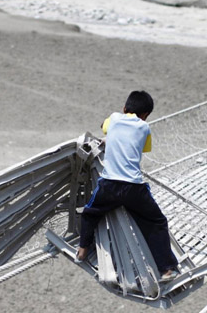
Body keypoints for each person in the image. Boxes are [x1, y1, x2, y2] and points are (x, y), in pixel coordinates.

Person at [76, 90, 179, 282]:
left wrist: (110, 138)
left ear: (124, 108)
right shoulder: (144, 127)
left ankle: (82, 249)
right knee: (156, 222)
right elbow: (143, 148)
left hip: (109, 185)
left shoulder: (114, 119)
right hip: (133, 188)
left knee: (90, 213)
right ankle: (167, 269)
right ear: (146, 115)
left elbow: (103, 126)